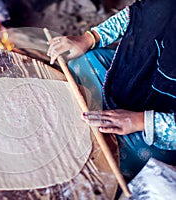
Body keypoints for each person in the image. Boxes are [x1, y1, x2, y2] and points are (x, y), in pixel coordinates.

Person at [47, 0, 176, 182]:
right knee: (82, 61)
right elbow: (138, 14)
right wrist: (90, 38)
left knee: (125, 161)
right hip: (143, 73)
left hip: (163, 121)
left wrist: (140, 121)